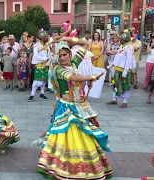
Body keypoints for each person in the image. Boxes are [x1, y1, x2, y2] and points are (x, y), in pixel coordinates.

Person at [37, 36, 113, 180]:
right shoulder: (58, 70)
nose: (62, 57)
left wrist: (65, 38)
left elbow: (86, 43)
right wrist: (89, 78)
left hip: (80, 105)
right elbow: (73, 78)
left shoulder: (74, 62)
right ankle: (62, 167)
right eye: (59, 55)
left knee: (85, 136)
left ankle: (83, 166)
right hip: (67, 107)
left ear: (70, 55)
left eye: (65, 54)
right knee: (65, 138)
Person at [106, 30, 136, 108]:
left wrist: (125, 73)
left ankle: (125, 102)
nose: (120, 40)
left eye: (122, 39)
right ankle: (114, 99)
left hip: (124, 71)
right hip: (117, 69)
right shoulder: (122, 46)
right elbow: (117, 58)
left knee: (125, 86)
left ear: (125, 40)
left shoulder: (129, 48)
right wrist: (111, 66)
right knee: (115, 84)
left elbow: (129, 61)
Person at [28, 31, 49, 102]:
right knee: (37, 80)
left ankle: (42, 94)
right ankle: (32, 95)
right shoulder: (36, 45)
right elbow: (36, 56)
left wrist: (49, 59)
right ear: (42, 38)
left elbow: (48, 54)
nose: (47, 38)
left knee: (43, 80)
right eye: (46, 37)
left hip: (45, 65)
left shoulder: (46, 45)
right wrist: (45, 59)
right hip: (38, 65)